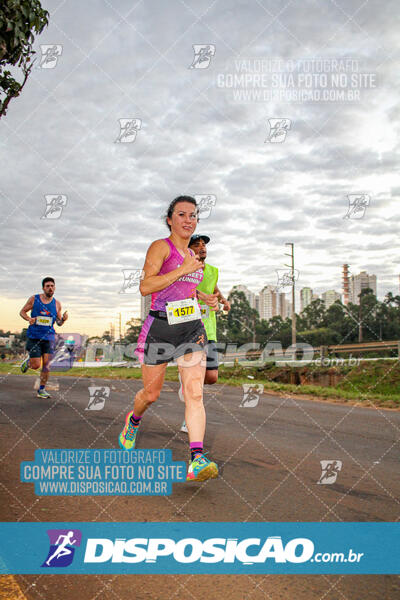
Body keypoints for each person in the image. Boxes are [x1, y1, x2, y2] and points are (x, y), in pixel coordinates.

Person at [118, 195, 219, 482]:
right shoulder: (160, 248)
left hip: (190, 328)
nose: (188, 220)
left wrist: (204, 297)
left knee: (195, 393)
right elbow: (146, 286)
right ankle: (133, 421)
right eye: (182, 214)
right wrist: (182, 270)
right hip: (160, 330)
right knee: (151, 394)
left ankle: (196, 458)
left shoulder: (194, 258)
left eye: (193, 215)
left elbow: (184, 291)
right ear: (170, 219)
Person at [179, 234, 231, 433]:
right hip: (188, 327)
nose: (202, 247)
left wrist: (224, 301)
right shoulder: (183, 269)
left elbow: (213, 287)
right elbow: (180, 289)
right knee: (195, 379)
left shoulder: (212, 271)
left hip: (209, 328)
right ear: (188, 249)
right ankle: (189, 418)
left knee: (211, 377)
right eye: (197, 244)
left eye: (204, 245)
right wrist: (201, 296)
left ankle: (185, 385)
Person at [19, 277, 68, 398]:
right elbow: (22, 312)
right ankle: (29, 361)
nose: (50, 288)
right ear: (43, 288)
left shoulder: (57, 304)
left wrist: (63, 320)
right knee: (36, 365)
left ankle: (41, 390)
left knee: (47, 365)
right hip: (35, 336)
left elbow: (58, 323)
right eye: (47, 286)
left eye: (52, 286)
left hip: (49, 337)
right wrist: (29, 319)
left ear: (54, 288)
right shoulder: (34, 299)